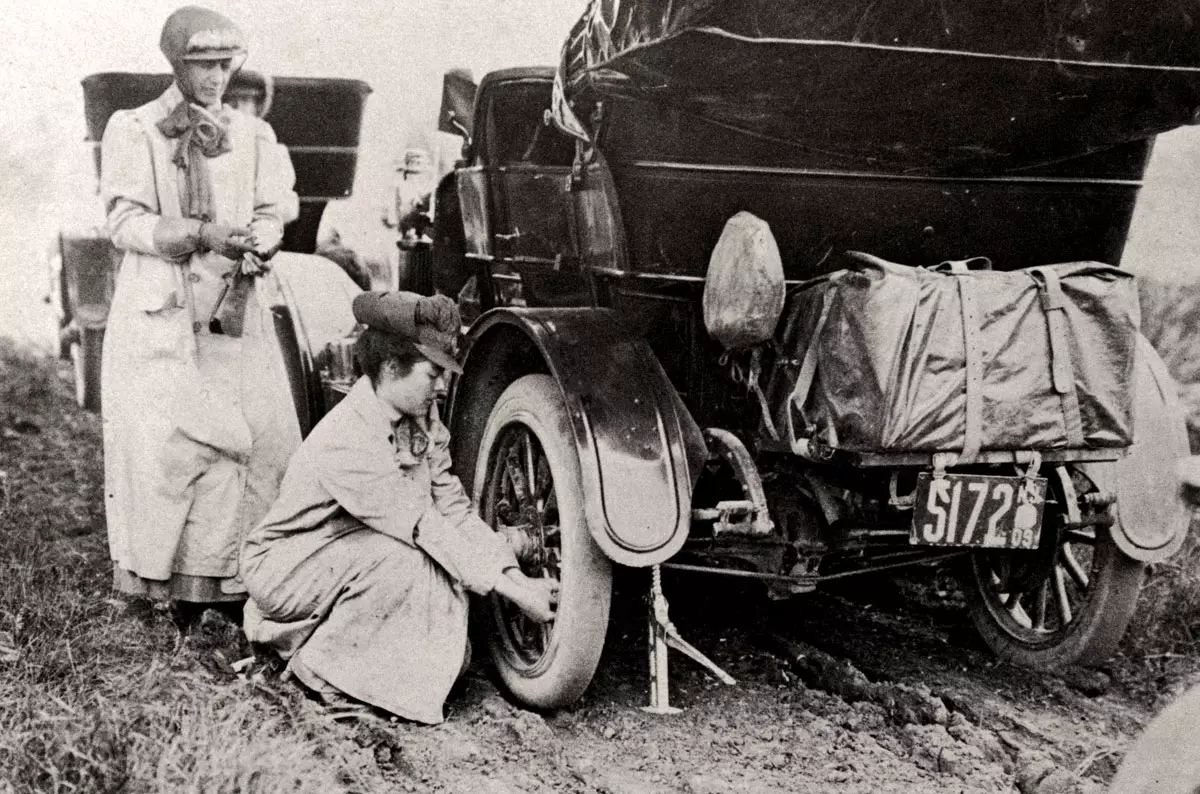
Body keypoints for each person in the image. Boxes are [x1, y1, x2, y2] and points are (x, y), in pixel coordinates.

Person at [241, 291, 557, 724]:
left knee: (449, 648)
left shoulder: (422, 421)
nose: (442, 386)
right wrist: (519, 594)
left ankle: (357, 661)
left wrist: (511, 574)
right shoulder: (349, 436)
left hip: (348, 551)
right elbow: (422, 525)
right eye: (433, 375)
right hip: (287, 565)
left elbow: (455, 512)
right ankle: (319, 670)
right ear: (391, 369)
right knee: (406, 560)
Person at [100, 6, 300, 612]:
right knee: (166, 447)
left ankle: (229, 585)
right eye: (202, 64)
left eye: (224, 64)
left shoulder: (254, 133)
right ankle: (156, 585)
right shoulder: (133, 129)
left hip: (233, 309)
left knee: (248, 441)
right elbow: (124, 221)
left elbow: (274, 208)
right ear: (174, 63)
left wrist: (261, 240)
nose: (215, 77)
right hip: (162, 307)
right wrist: (198, 234)